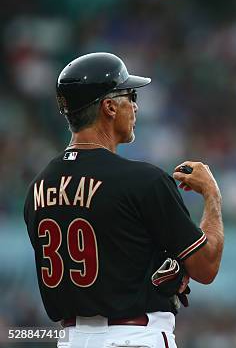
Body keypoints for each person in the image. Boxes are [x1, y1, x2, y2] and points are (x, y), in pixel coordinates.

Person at [23, 52, 224, 348]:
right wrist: (212, 195)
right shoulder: (143, 180)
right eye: (130, 95)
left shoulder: (38, 188)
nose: (135, 106)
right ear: (109, 107)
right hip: (133, 336)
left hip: (71, 340)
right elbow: (206, 267)